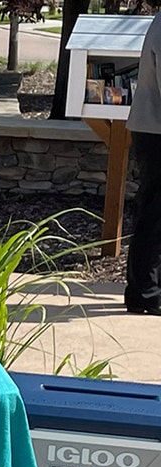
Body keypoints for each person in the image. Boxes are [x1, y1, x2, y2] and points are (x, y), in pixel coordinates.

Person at [126, 12, 161, 316]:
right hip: (156, 131)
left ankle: (147, 289)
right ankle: (144, 293)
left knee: (152, 209)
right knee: (154, 213)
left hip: (152, 128)